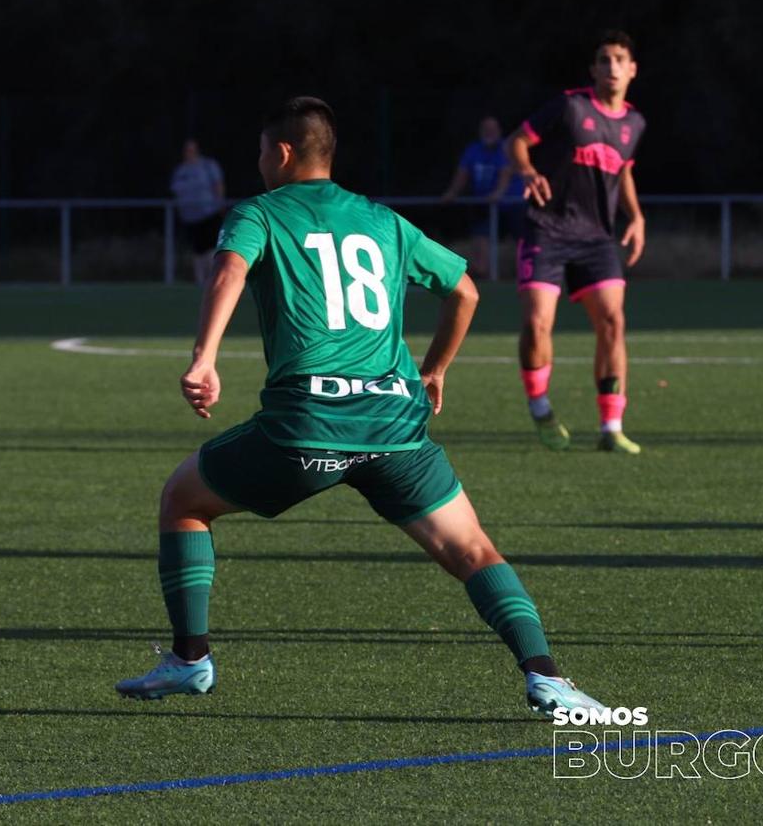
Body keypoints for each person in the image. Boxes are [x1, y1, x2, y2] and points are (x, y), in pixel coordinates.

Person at [115, 96, 606, 716]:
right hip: (394, 426)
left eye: (263, 151)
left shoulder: (260, 213)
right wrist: (434, 369)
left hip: (309, 427)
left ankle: (189, 660)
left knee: (183, 500)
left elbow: (228, 273)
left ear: (284, 152)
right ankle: (547, 677)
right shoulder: (382, 219)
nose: (260, 161)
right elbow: (465, 290)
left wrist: (204, 356)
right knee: (473, 550)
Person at [505, 31, 646, 454]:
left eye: (620, 59)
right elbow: (518, 140)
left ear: (632, 69)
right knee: (537, 324)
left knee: (613, 323)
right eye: (604, 59)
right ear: (594, 69)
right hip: (546, 228)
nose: (612, 67)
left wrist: (636, 216)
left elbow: (623, 172)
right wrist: (528, 171)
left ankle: (612, 426)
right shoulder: (570, 106)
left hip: (596, 237)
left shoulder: (635, 123)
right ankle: (541, 409)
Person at [441, 116, 523, 278]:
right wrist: (452, 192)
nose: (489, 133)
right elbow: (463, 173)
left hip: (512, 203)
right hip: (485, 203)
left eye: (493, 129)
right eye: (486, 129)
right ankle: (482, 270)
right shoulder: (473, 149)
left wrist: (498, 193)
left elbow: (505, 172)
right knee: (481, 235)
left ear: (499, 131)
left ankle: (526, 272)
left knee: (521, 237)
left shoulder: (506, 148)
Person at [170, 139, 225, 285]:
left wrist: (220, 204)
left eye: (192, 149)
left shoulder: (208, 165)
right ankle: (200, 282)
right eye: (187, 150)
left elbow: (217, 185)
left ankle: (213, 279)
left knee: (211, 249)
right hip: (190, 217)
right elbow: (176, 191)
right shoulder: (181, 171)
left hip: (209, 213)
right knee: (198, 251)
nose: (189, 153)